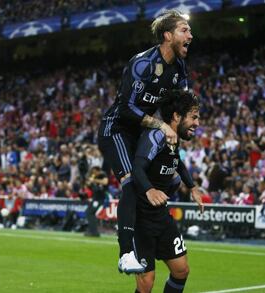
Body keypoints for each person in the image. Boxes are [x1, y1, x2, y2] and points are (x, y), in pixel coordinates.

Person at [97, 10, 193, 273]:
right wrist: (162, 125)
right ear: (167, 35)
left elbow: (181, 106)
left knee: (158, 179)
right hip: (116, 128)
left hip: (141, 132)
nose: (190, 36)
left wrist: (186, 125)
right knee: (130, 182)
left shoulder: (180, 68)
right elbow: (127, 108)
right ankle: (126, 254)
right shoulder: (143, 64)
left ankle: (150, 237)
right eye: (184, 30)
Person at [132, 90, 203, 292]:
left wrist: (192, 187)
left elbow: (176, 162)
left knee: (181, 270)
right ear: (176, 116)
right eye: (194, 117)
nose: (197, 123)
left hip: (161, 216)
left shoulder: (173, 139)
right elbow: (137, 167)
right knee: (146, 282)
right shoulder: (155, 135)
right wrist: (149, 190)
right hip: (140, 218)